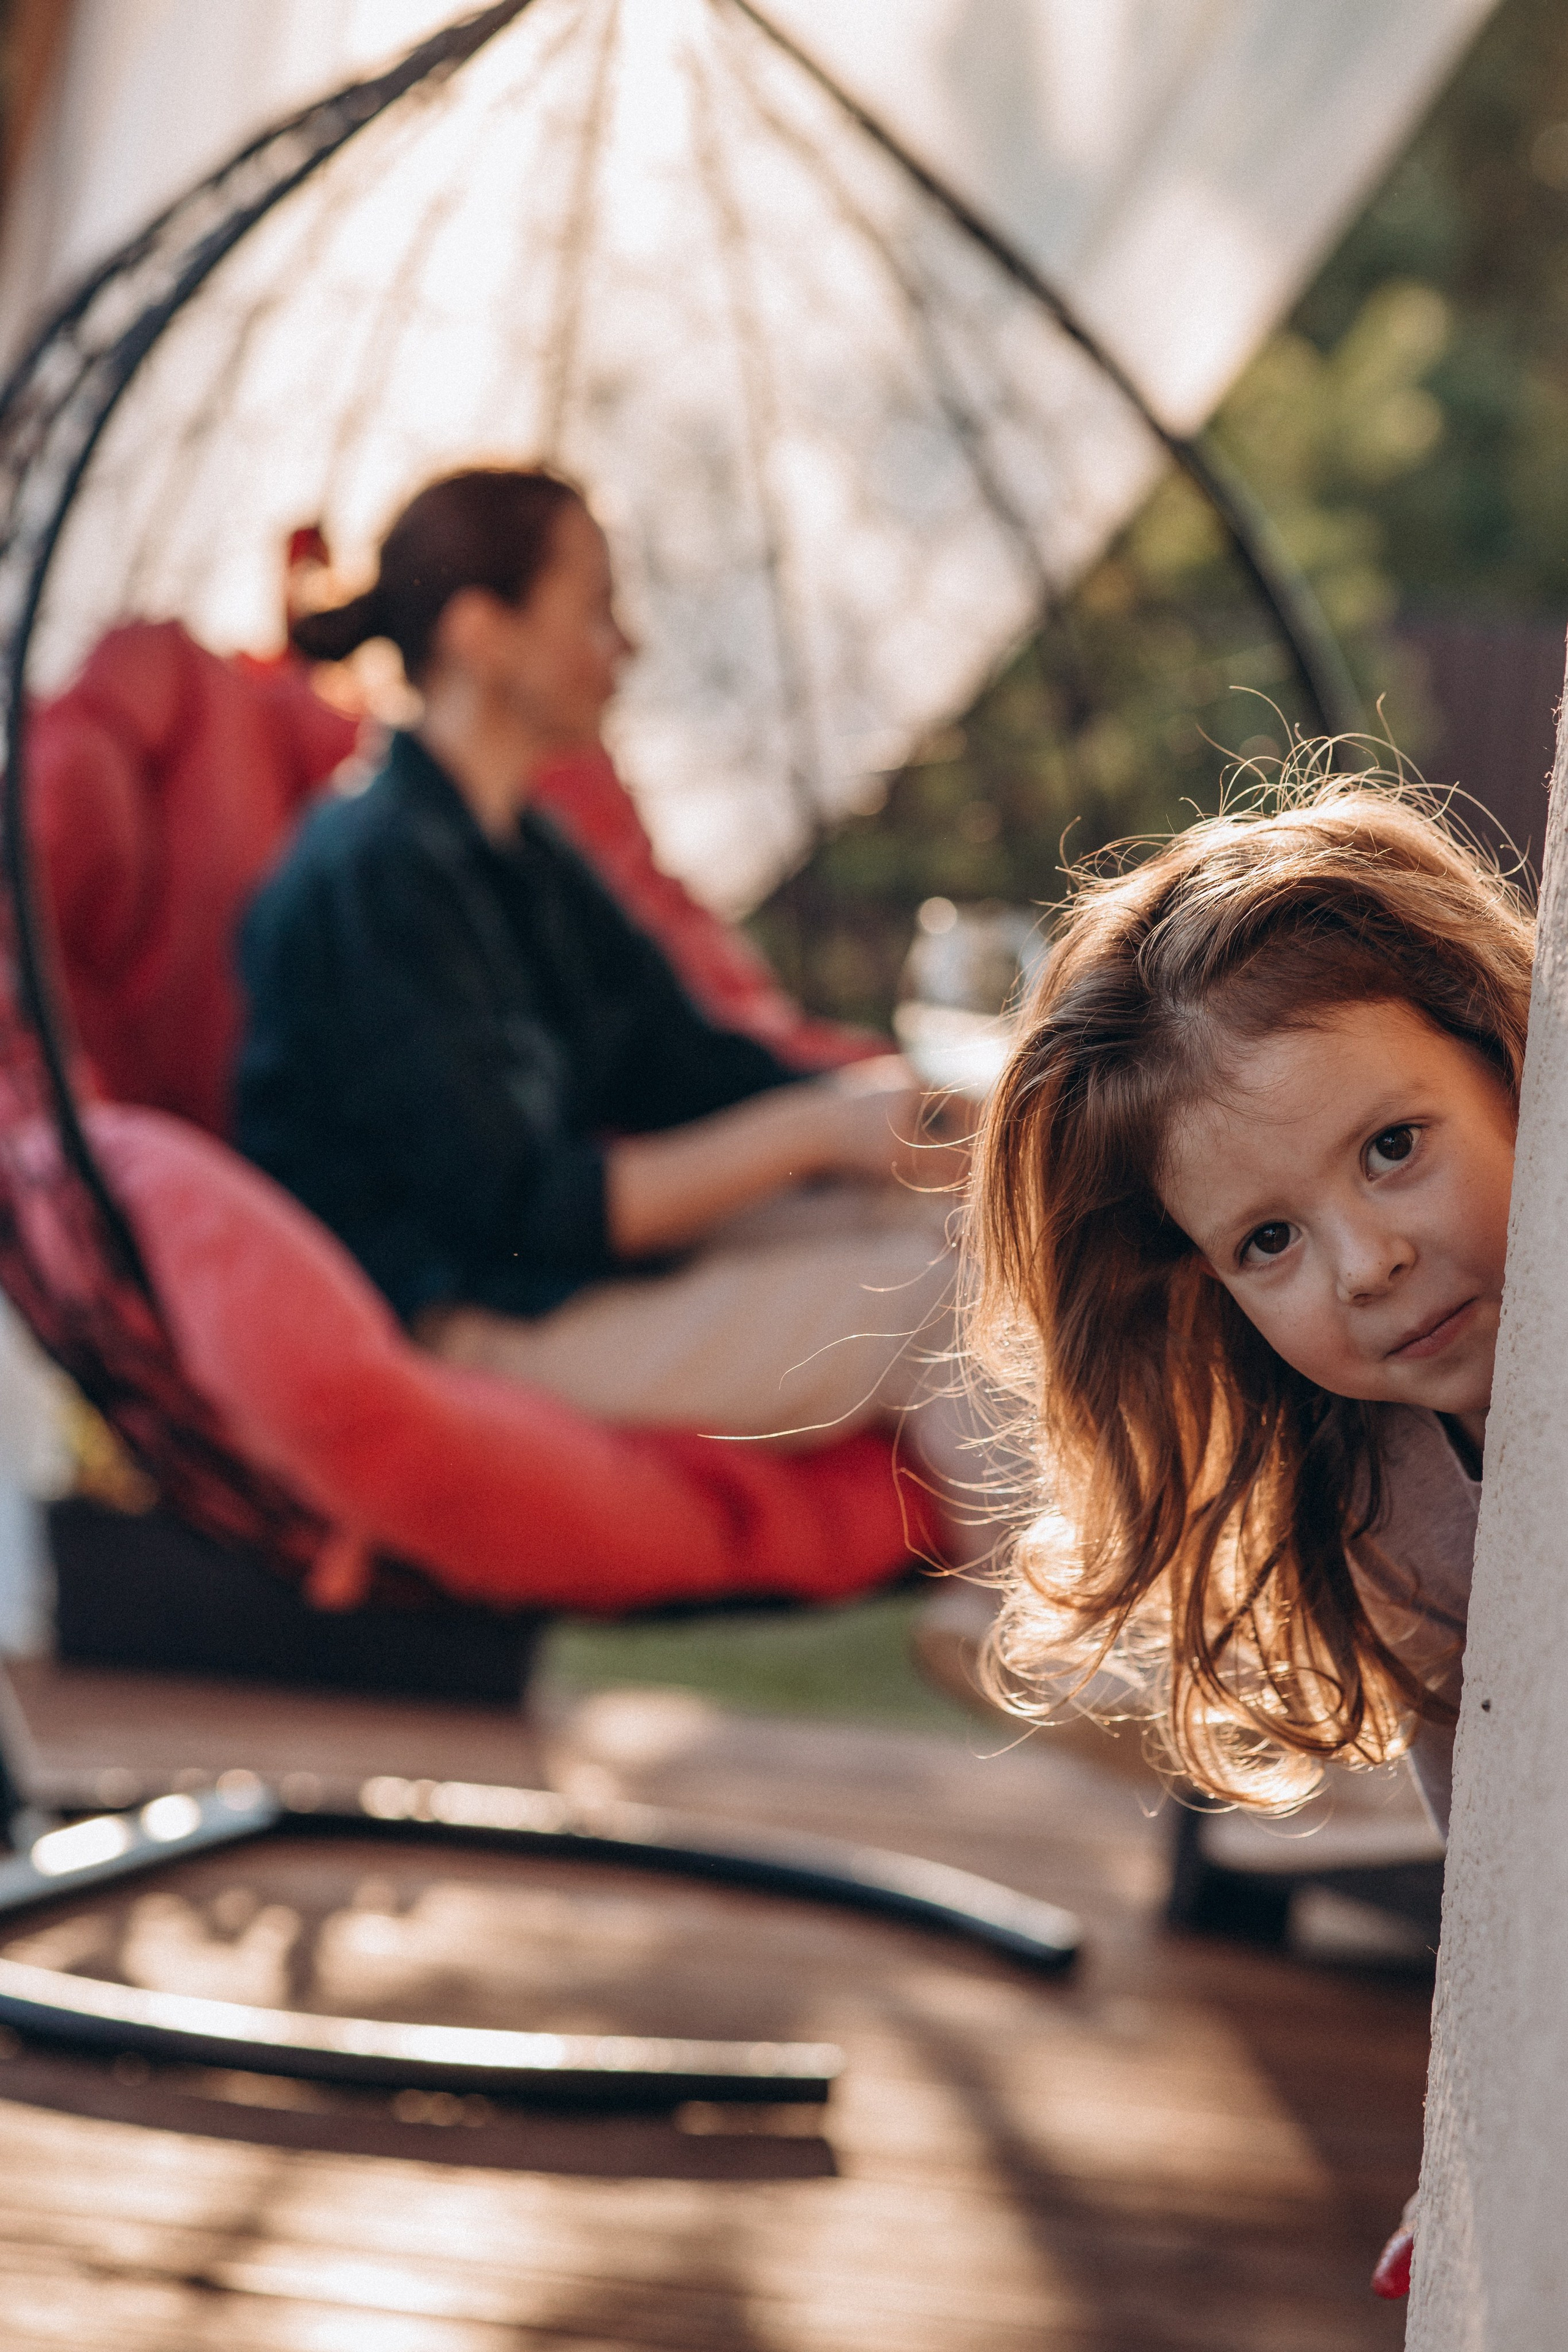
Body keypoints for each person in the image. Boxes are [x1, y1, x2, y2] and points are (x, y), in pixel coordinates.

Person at [967, 768, 1529, 2301]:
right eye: (1265, 1241)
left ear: (1502, 1051)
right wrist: (1487, 2154)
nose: (1366, 1261)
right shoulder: (1377, 1505)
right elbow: (1500, 1883)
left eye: (1392, 1145)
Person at [236, 466, 994, 1558]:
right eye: (594, 607)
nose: (624, 648)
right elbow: (524, 1211)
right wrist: (816, 1134)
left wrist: (890, 1118)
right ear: (482, 633)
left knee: (995, 1223)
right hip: (472, 1322)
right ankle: (1050, 1649)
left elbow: (685, 1065)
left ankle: (1167, 1607)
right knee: (947, 1301)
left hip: (573, 1277)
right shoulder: (373, 877)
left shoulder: (527, 854)